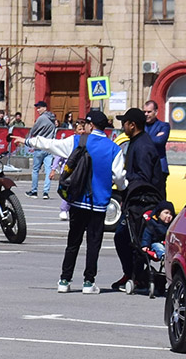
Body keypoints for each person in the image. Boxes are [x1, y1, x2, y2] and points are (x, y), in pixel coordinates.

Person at [28, 110, 120, 294]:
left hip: (78, 201)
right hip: (99, 202)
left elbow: (52, 145)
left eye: (85, 123)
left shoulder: (78, 141)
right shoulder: (114, 148)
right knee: (94, 243)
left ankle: (64, 280)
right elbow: (120, 177)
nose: (83, 126)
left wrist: (28, 141)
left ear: (91, 125)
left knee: (73, 241)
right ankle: (88, 282)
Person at [111, 107, 166, 291]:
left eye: (124, 123)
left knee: (129, 239)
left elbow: (144, 177)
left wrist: (125, 181)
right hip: (136, 201)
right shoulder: (136, 141)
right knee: (125, 238)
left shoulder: (142, 146)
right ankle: (132, 274)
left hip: (143, 203)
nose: (122, 126)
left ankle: (137, 276)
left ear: (132, 125)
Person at [25, 100, 57, 198]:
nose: (38, 110)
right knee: (48, 170)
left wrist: (29, 138)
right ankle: (45, 192)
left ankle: (34, 191)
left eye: (39, 108)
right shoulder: (52, 118)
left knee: (35, 170)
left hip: (40, 146)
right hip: (49, 147)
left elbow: (33, 130)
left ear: (44, 108)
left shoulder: (41, 118)